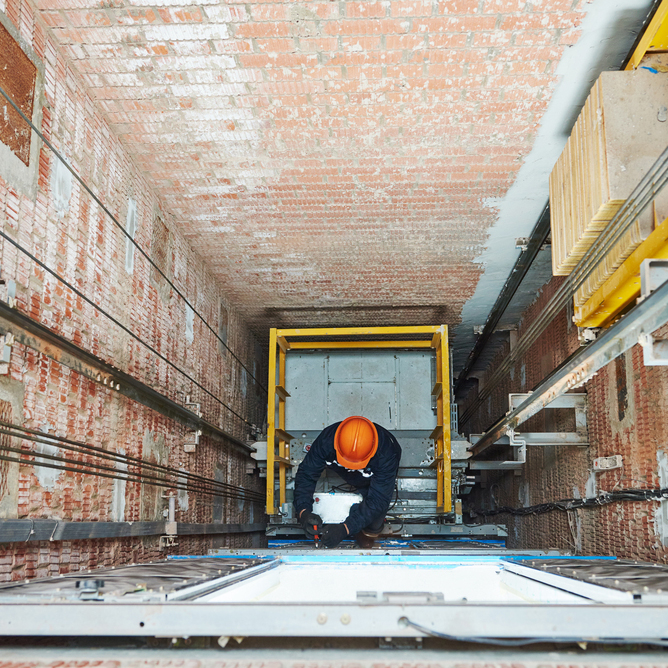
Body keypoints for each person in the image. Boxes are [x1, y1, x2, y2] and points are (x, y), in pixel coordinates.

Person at [294, 415, 402, 548]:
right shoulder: (326, 441)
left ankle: (368, 533)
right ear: (337, 445)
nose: (351, 467)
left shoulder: (387, 453)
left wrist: (345, 528)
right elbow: (306, 475)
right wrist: (303, 511)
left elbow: (378, 500)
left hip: (372, 478)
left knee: (375, 521)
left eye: (355, 465)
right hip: (347, 468)